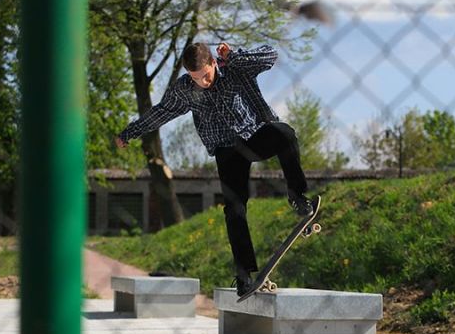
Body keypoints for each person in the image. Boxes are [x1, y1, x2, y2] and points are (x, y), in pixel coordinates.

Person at [115, 42, 314, 296]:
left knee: (285, 134)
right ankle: (243, 275)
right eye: (196, 78)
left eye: (206, 75)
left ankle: (297, 196)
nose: (203, 82)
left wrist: (235, 56)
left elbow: (270, 55)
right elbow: (161, 113)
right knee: (235, 208)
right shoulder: (185, 90)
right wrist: (129, 132)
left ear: (212, 63)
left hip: (254, 134)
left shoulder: (233, 67)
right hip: (226, 151)